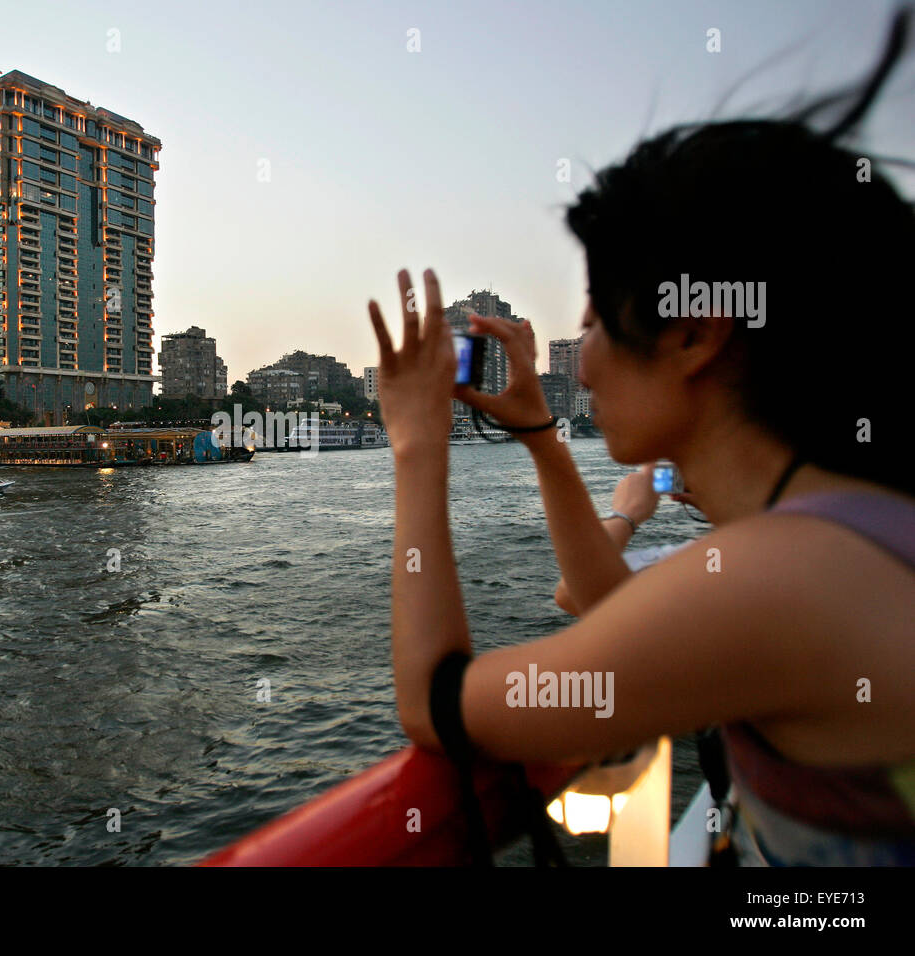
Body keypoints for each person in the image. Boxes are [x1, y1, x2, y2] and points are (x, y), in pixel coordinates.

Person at [367, 14, 914, 867]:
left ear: (696, 331)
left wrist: (417, 441)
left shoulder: (780, 580)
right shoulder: (853, 534)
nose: (580, 368)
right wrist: (545, 440)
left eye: (593, 325)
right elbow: (619, 617)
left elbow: (438, 703)